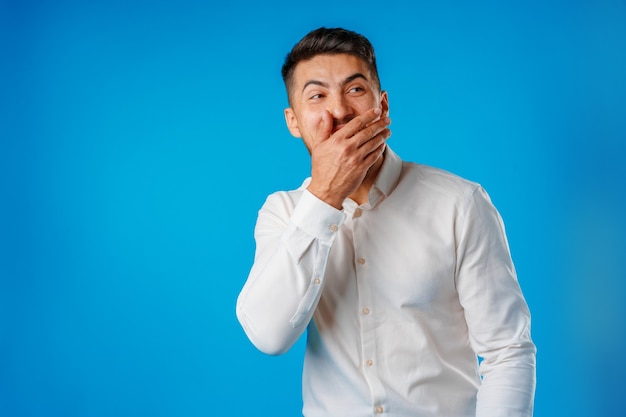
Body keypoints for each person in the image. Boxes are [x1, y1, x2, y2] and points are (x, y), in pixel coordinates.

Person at [236, 27, 536, 417]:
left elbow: (507, 350)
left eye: (355, 90)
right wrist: (325, 196)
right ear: (294, 122)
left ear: (383, 105)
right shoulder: (282, 212)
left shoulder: (460, 203)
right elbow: (269, 335)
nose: (339, 111)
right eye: (317, 96)